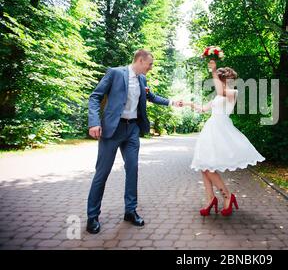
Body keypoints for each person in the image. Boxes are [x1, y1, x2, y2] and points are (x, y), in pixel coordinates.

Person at [86, 49, 183, 234]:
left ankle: (130, 211)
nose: (151, 68)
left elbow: (151, 97)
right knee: (102, 172)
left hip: (132, 130)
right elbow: (95, 96)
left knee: (133, 169)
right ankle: (92, 217)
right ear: (140, 60)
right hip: (112, 130)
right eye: (150, 64)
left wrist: (172, 102)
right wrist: (94, 122)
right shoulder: (115, 73)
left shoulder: (142, 79)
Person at [185, 60, 265, 217]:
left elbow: (222, 92)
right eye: (225, 78)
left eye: (228, 79)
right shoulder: (217, 96)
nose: (228, 81)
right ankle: (210, 199)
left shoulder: (232, 93)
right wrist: (188, 104)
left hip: (221, 130)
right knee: (204, 165)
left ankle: (227, 196)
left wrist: (213, 71)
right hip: (210, 130)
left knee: (208, 167)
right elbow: (203, 109)